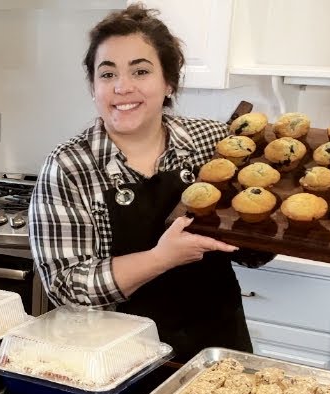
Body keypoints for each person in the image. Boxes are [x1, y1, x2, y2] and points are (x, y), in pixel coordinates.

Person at [29, 3, 269, 359]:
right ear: (93, 86)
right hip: (118, 360)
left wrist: (270, 221)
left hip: (217, 347)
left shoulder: (211, 141)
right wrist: (162, 257)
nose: (123, 87)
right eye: (107, 75)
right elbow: (67, 288)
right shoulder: (69, 166)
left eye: (140, 71)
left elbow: (251, 253)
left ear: (168, 82)